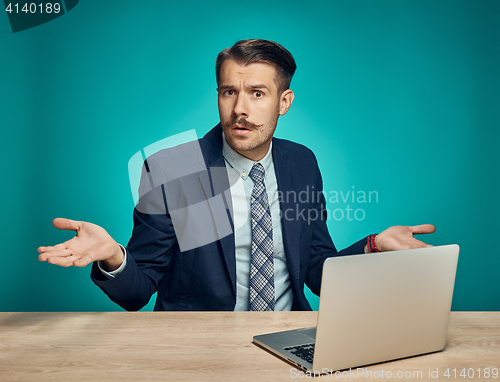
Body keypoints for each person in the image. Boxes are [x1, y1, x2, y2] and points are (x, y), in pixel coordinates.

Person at [38, 39, 435, 311]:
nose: (240, 108)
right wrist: (112, 256)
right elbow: (137, 292)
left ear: (284, 102)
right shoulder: (170, 170)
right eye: (229, 92)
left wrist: (373, 247)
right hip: (198, 349)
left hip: (289, 338)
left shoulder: (302, 164)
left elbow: (316, 270)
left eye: (257, 94)